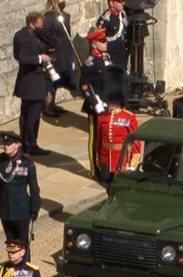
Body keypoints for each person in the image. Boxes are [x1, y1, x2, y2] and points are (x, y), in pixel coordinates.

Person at [0, 132, 42, 259]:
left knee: (22, 243)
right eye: (4, 144)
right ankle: (13, 265)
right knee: (10, 242)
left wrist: (34, 209)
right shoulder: (0, 161)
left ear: (17, 145)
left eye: (9, 144)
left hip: (21, 210)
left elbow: (34, 189)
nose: (5, 147)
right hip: (5, 209)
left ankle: (24, 266)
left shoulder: (27, 164)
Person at [13, 11, 52, 156]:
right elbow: (22, 57)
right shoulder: (22, 37)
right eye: (39, 25)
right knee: (32, 115)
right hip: (30, 82)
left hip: (34, 81)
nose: (41, 27)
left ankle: (26, 142)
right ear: (31, 24)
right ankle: (30, 144)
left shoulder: (35, 35)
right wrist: (40, 58)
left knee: (27, 113)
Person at [95, 66, 140, 184]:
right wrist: (99, 159)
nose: (109, 104)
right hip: (106, 161)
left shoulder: (129, 117)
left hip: (122, 160)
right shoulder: (102, 117)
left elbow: (135, 143)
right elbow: (99, 140)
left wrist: (133, 164)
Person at [80, 28, 109, 179]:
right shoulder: (89, 63)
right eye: (102, 41)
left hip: (107, 104)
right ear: (94, 44)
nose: (106, 43)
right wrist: (94, 102)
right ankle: (94, 170)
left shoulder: (105, 58)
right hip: (95, 106)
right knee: (94, 139)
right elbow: (85, 86)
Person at [43, 0, 75, 116]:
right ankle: (47, 107)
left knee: (58, 79)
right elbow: (44, 32)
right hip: (56, 53)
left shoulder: (63, 15)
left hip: (64, 51)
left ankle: (53, 104)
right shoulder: (50, 16)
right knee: (51, 80)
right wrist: (52, 45)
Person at [96, 0, 129, 71]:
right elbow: (97, 43)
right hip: (111, 58)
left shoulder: (123, 14)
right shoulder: (105, 19)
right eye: (120, 1)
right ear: (111, 3)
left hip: (121, 56)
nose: (123, 3)